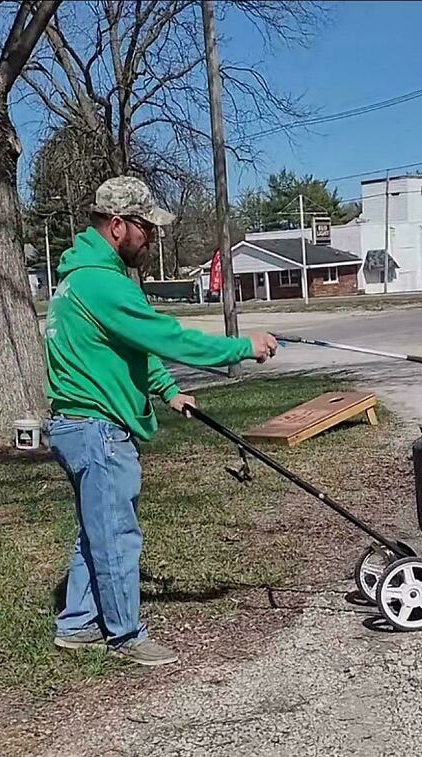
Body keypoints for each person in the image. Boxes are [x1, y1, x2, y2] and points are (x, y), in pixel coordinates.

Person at [44, 176, 278, 667]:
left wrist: (168, 391)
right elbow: (167, 337)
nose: (152, 238)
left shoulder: (82, 278)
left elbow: (131, 345)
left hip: (79, 426)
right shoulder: (100, 282)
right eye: (146, 229)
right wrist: (243, 347)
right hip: (97, 429)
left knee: (97, 528)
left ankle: (76, 623)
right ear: (116, 226)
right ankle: (126, 635)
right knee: (116, 533)